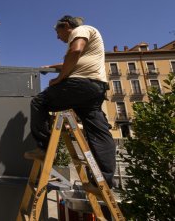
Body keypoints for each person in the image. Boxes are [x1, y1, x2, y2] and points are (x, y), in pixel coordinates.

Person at [30, 15, 116, 187]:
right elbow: (75, 60)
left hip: (80, 85)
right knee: (97, 130)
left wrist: (59, 78)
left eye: (58, 32)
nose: (57, 37)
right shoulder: (89, 37)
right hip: (95, 87)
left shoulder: (80, 30)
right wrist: (52, 68)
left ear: (66, 25)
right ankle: (104, 179)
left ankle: (43, 148)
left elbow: (75, 51)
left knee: (39, 102)